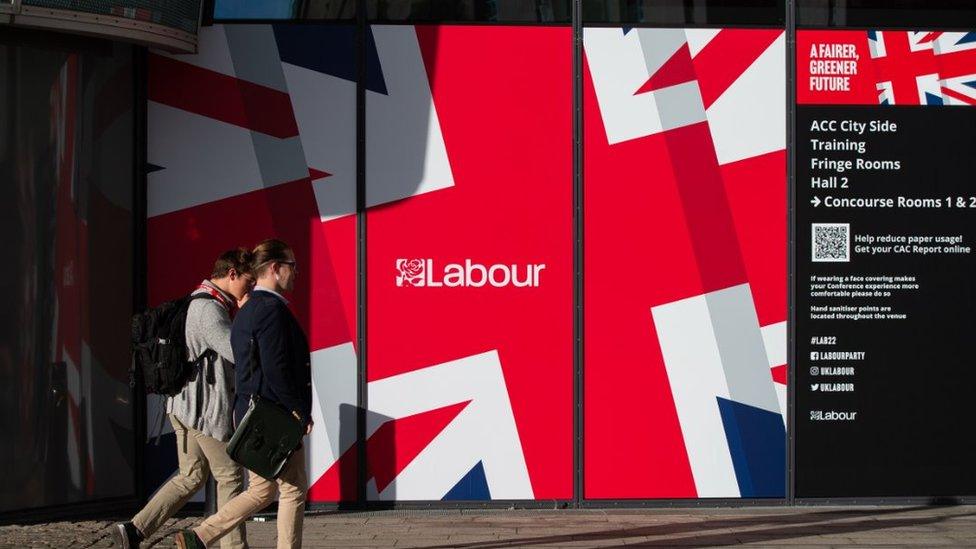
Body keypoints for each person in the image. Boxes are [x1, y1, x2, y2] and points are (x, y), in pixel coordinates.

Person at [113, 249, 256, 549]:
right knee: (230, 478)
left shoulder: (199, 299)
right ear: (231, 274)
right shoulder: (210, 311)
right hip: (204, 413)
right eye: (248, 281)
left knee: (190, 477)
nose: (251, 288)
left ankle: (135, 529)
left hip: (181, 407)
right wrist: (250, 311)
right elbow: (238, 353)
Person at [175, 239, 312, 549]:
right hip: (274, 416)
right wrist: (298, 411)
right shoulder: (271, 310)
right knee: (292, 489)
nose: (297, 273)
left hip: (253, 414)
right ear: (275, 269)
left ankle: (199, 535)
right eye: (293, 266)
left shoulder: (248, 310)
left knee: (262, 491)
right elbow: (277, 369)